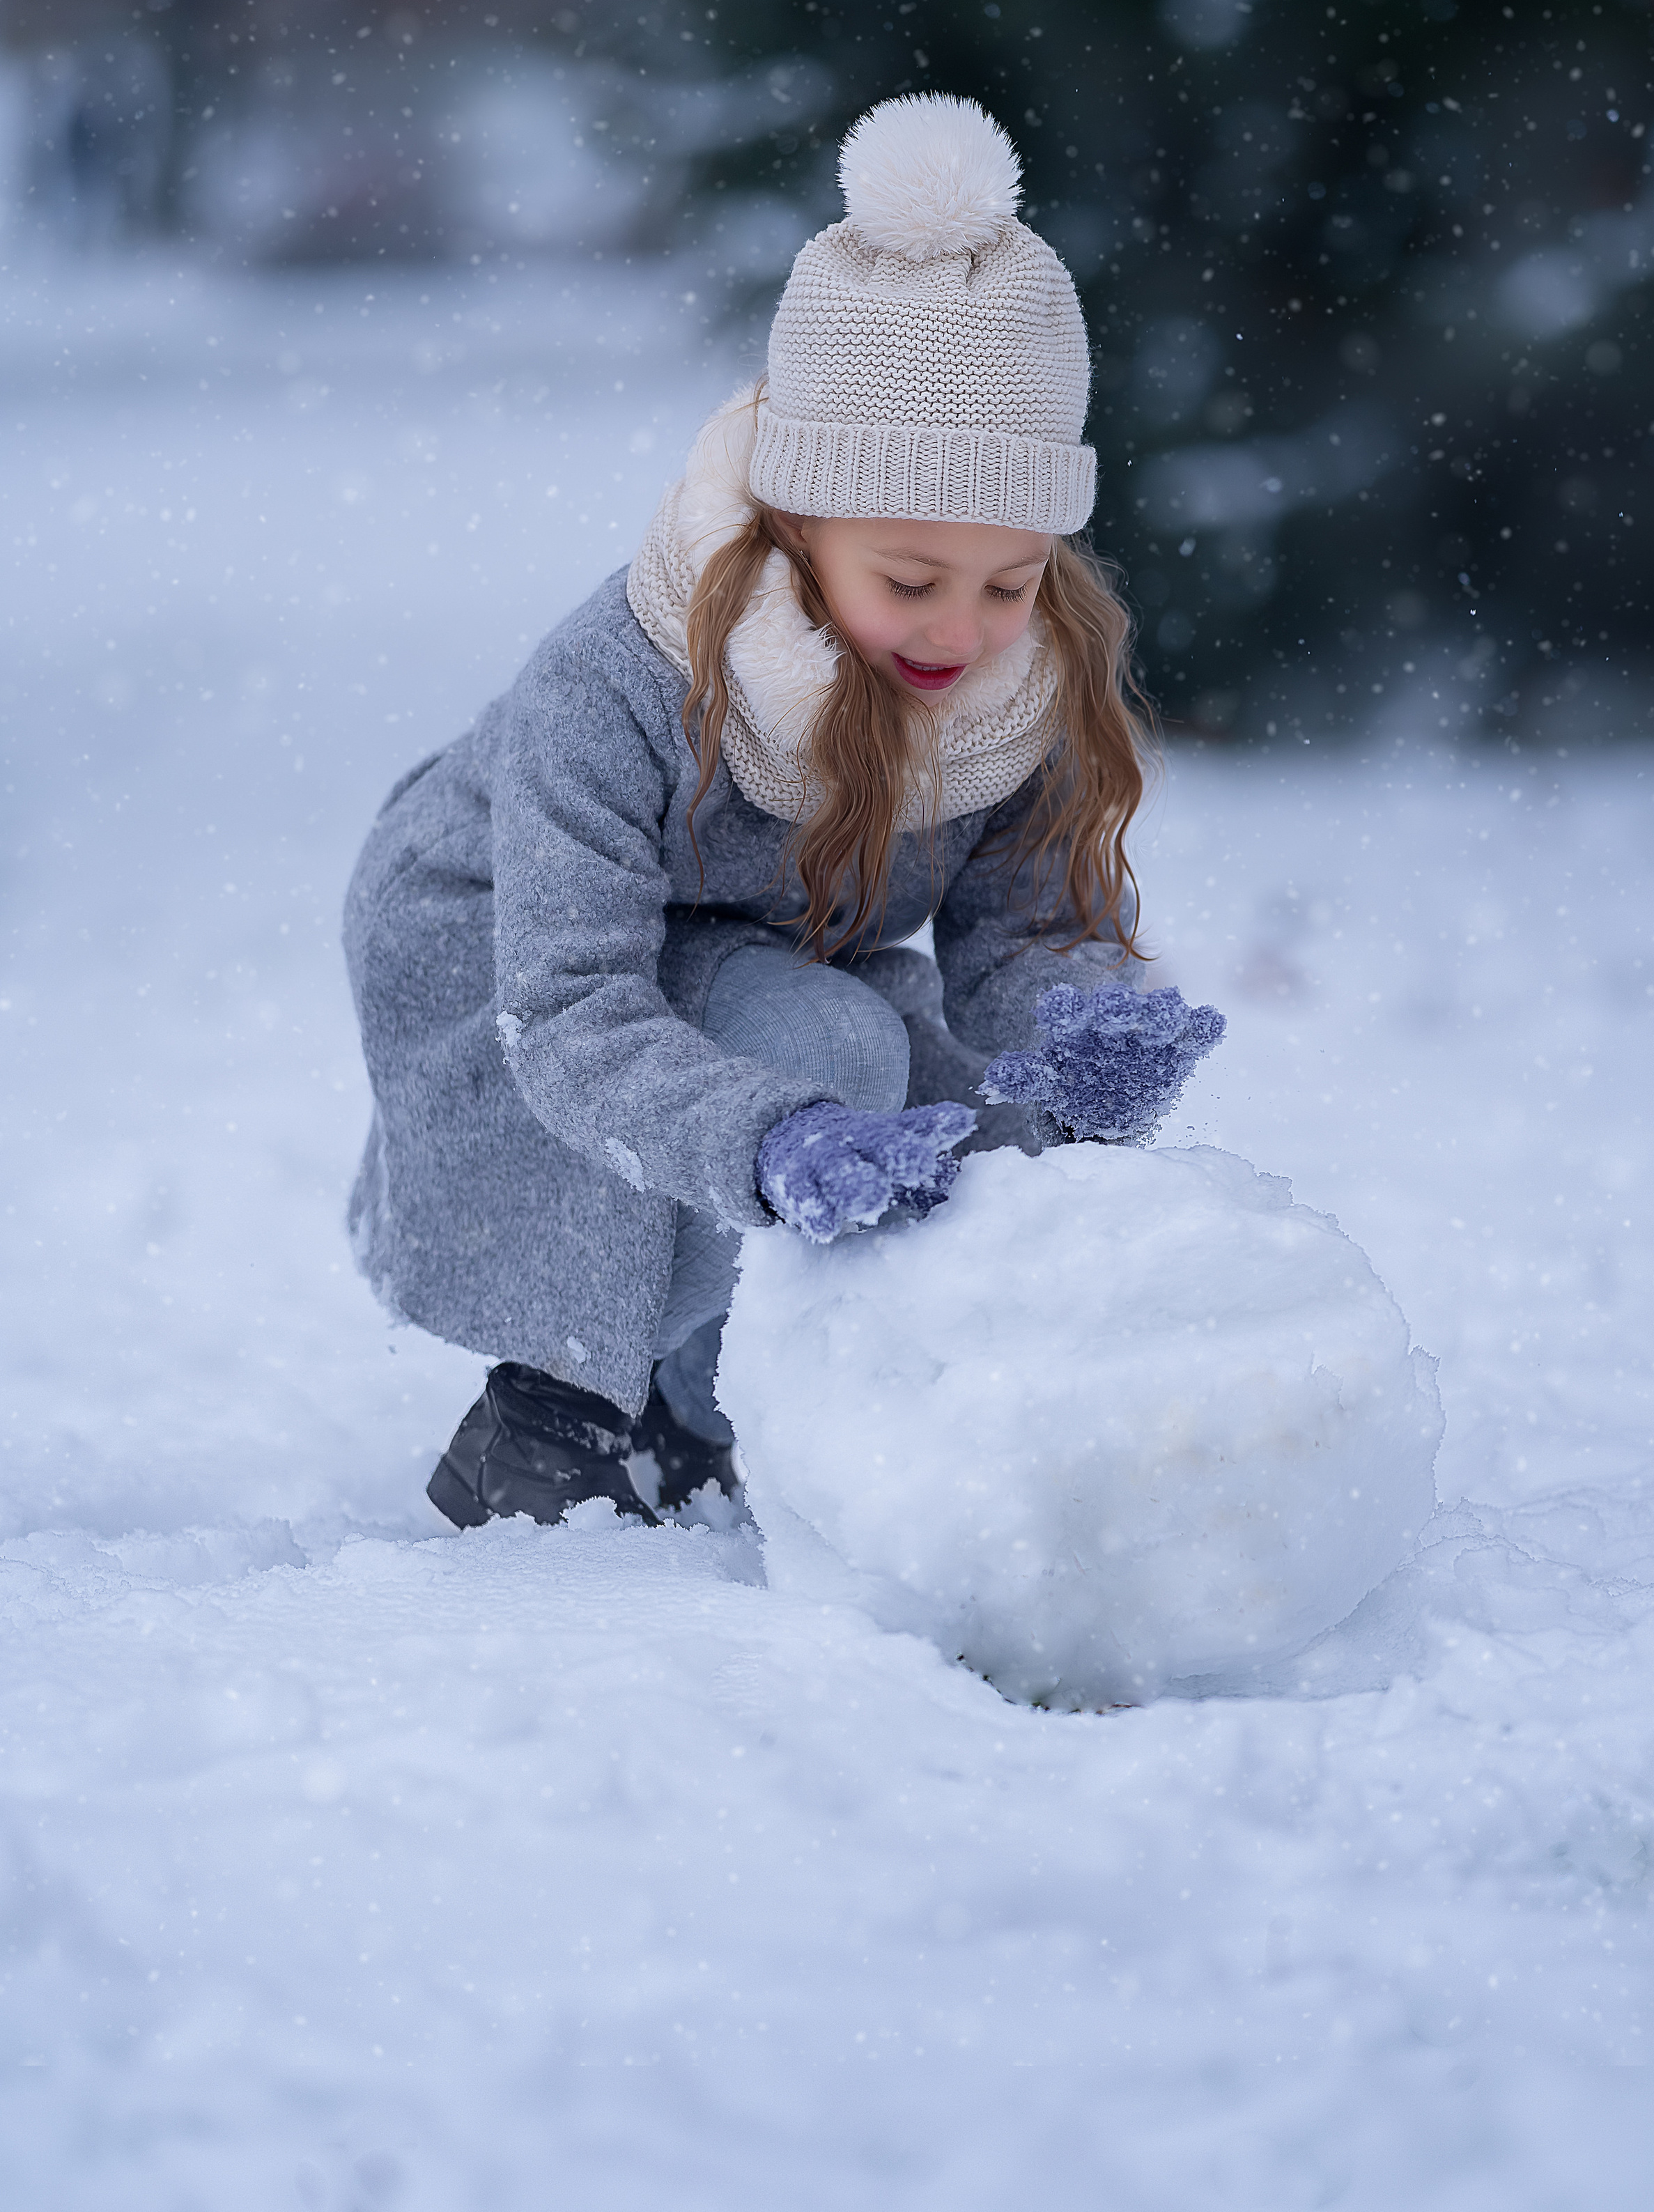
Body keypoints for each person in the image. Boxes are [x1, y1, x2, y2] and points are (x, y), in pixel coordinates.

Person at [342, 94, 1223, 1531]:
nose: (966, 626)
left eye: (1009, 579)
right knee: (817, 1051)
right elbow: (570, 1009)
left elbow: (1019, 938)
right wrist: (766, 1137)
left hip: (761, 934)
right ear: (790, 524)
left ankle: (726, 1395)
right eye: (911, 576)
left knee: (956, 1132)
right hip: (503, 936)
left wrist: (1076, 1034)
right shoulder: (618, 680)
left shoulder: (1016, 683)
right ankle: (569, 1410)